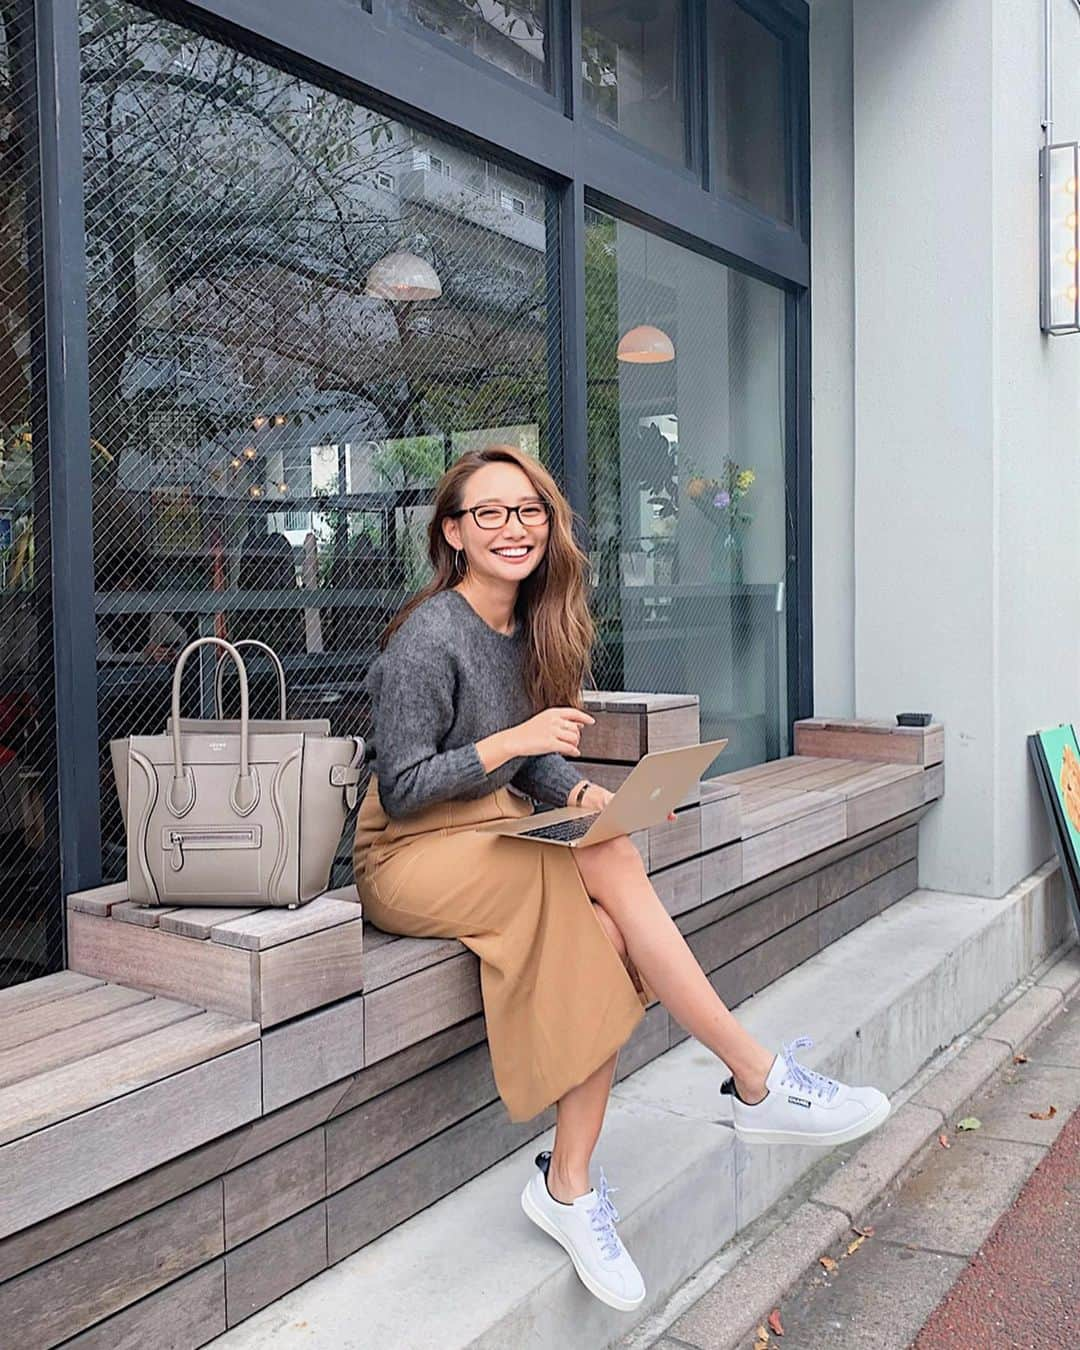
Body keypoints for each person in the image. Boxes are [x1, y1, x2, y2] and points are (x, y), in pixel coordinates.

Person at [352, 445, 890, 1313]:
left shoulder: (530, 629)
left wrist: (588, 790)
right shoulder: (429, 637)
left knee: (606, 885)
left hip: (485, 830)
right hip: (407, 856)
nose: (512, 528)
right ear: (452, 533)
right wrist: (517, 743)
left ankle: (569, 1183)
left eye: (527, 510)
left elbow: (531, 777)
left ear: (548, 522)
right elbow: (407, 786)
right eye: (488, 513)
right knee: (591, 874)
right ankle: (755, 1078)